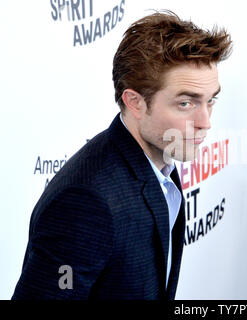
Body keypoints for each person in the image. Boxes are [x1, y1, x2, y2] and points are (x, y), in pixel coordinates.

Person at [12, 11, 232, 300]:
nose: (205, 122)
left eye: (210, 100)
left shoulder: (161, 162)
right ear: (135, 102)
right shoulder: (85, 203)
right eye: (186, 103)